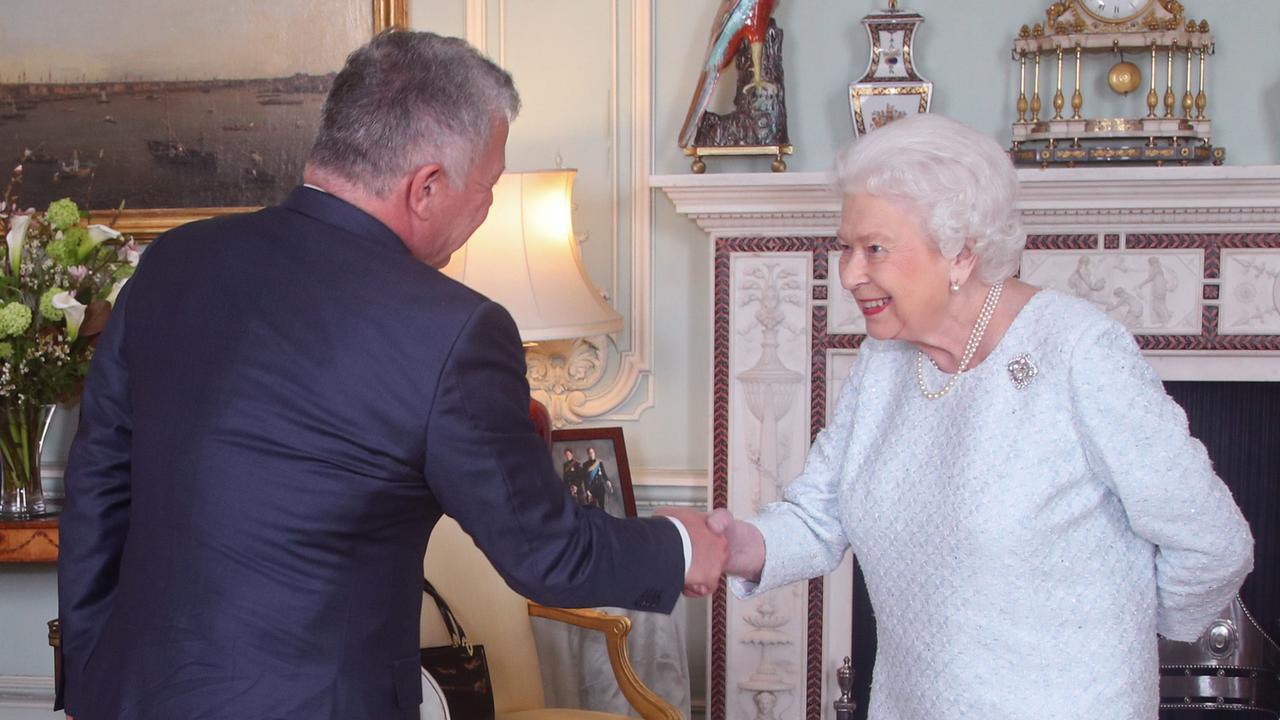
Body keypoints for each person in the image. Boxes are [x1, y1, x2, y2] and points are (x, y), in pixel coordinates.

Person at [56, 31, 724, 720]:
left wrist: (87, 680)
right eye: (487, 187)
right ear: (427, 188)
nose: (485, 207)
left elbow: (97, 486)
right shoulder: (453, 332)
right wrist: (679, 547)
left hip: (129, 696)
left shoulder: (174, 262)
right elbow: (544, 551)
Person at [704, 114, 1254, 719]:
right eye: (845, 248)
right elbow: (818, 517)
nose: (851, 273)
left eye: (875, 249)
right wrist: (734, 546)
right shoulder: (883, 362)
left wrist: (1124, 637)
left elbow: (1214, 542)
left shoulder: (1076, 352)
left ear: (960, 253)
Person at [582, 446, 613, 511]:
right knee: (592, 509)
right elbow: (585, 479)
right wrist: (587, 490)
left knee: (602, 507)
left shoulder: (599, 462)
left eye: (592, 452)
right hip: (591, 489)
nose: (591, 454)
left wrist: (607, 481)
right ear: (588, 454)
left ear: (594, 453)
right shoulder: (585, 464)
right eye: (590, 453)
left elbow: (604, 474)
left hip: (600, 487)